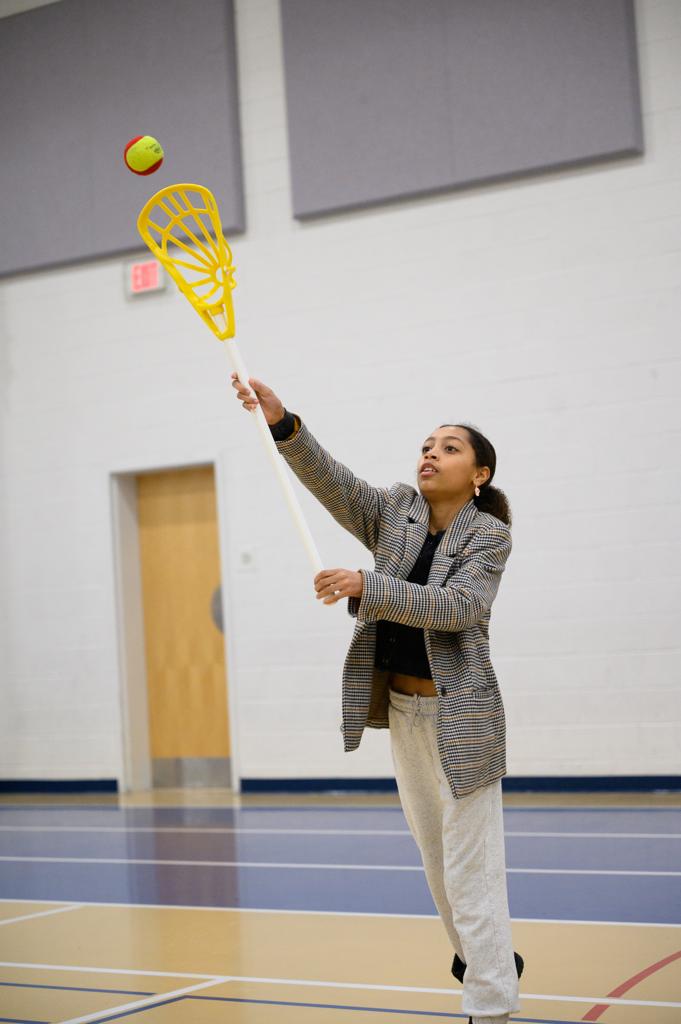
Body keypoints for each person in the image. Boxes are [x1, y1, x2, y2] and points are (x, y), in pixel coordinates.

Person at [230, 372, 525, 1024]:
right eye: (426, 445)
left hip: (462, 718)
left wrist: (368, 585)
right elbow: (333, 482)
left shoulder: (488, 536)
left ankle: (490, 1006)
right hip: (403, 712)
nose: (430, 453)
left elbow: (458, 607)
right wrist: (282, 422)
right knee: (437, 866)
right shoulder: (396, 512)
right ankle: (488, 964)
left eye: (449, 447)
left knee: (472, 871)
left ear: (478, 475)